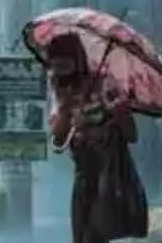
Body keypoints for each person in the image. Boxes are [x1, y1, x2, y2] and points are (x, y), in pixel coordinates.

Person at [46, 32, 149, 243]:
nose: (59, 72)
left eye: (64, 65)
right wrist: (65, 107)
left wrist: (119, 112)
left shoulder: (106, 85)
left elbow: (131, 134)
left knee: (97, 233)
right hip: (84, 175)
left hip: (109, 172)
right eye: (55, 67)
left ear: (76, 61)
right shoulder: (60, 89)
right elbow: (58, 140)